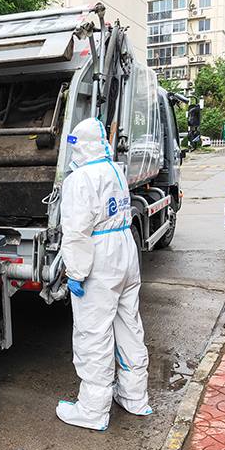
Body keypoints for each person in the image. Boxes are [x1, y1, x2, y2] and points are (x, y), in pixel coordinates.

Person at [56, 117, 152, 431]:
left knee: (93, 333)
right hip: (125, 249)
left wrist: (76, 272)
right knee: (129, 326)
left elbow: (76, 232)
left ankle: (93, 410)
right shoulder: (115, 170)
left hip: (100, 257)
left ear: (79, 146)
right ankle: (134, 396)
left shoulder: (80, 179)